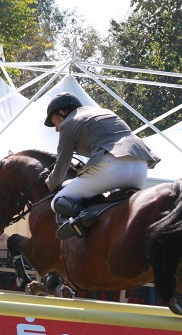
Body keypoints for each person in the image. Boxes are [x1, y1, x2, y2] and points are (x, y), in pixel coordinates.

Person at [42, 92, 160, 239]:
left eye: (55, 122)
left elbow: (61, 166)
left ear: (63, 112)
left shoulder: (68, 123)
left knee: (58, 200)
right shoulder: (104, 112)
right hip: (141, 167)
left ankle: (84, 216)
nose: (56, 129)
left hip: (113, 165)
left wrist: (49, 184)